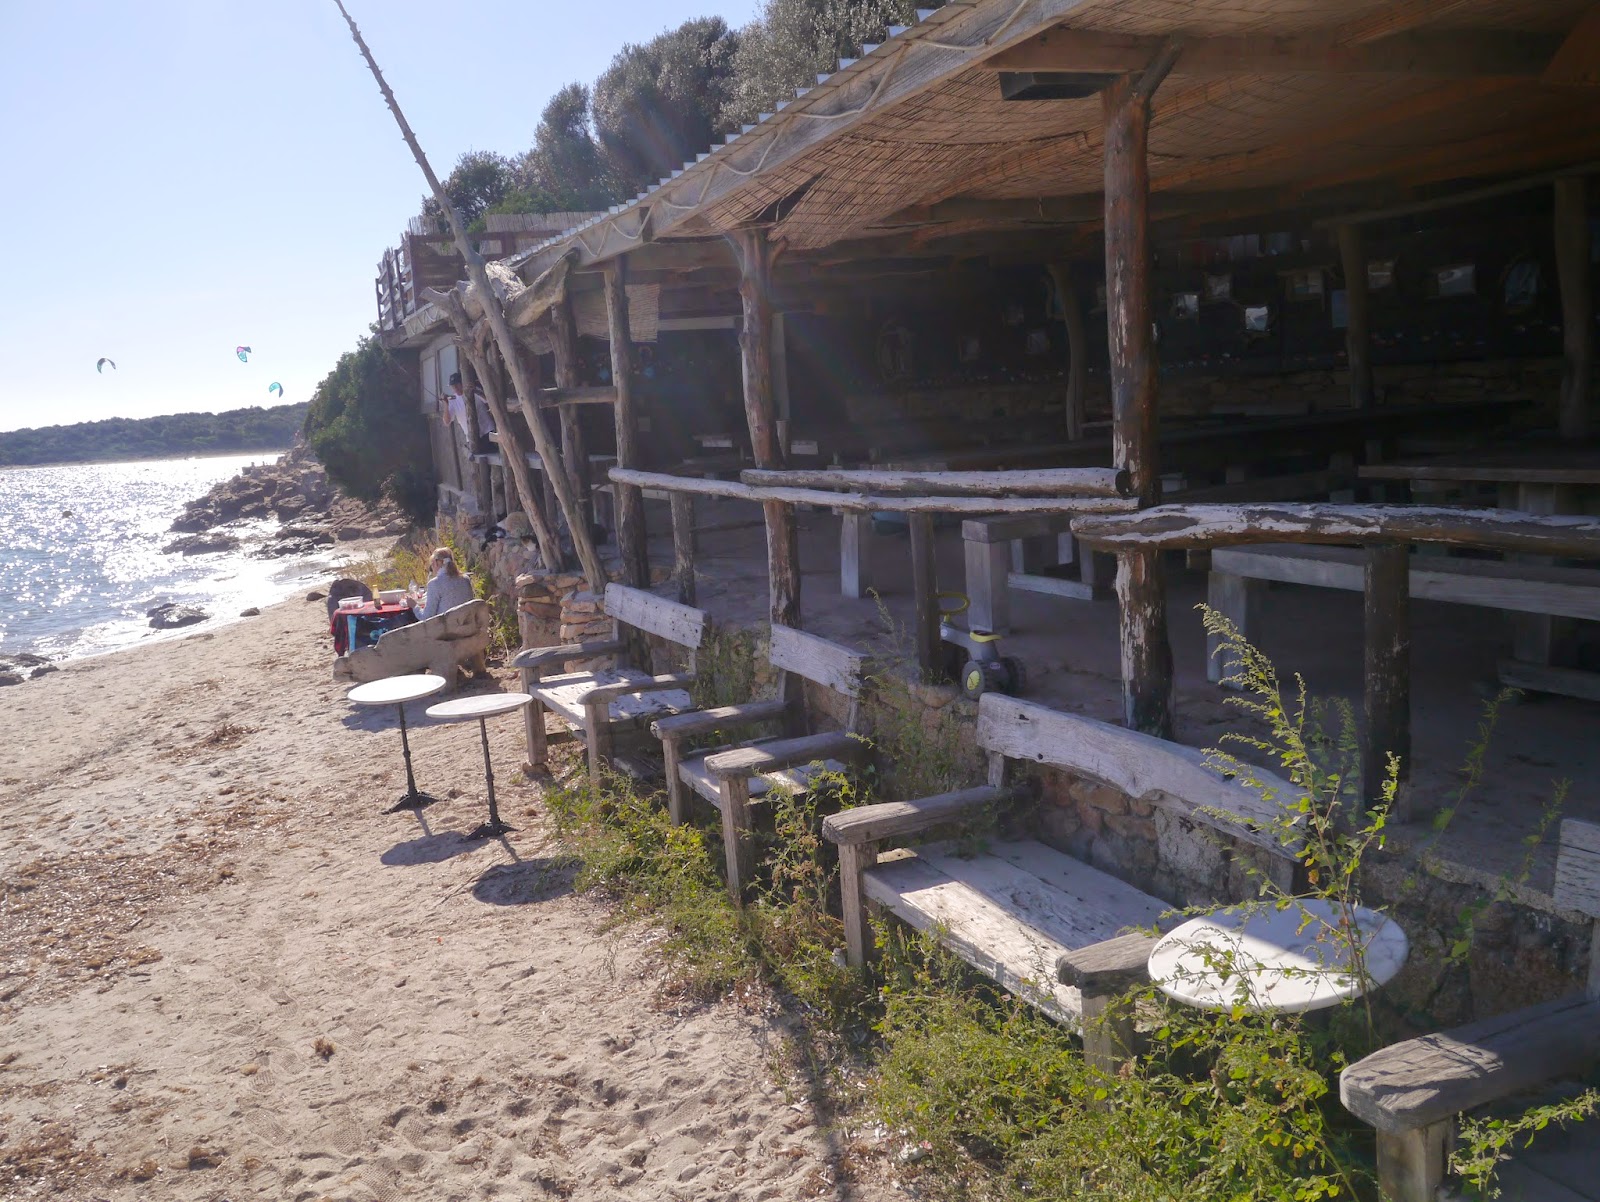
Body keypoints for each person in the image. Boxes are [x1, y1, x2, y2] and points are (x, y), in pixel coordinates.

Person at [412, 547, 476, 620]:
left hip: (447, 626)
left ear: (436, 563)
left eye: (432, 564)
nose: (432, 568)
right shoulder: (465, 579)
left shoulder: (435, 584)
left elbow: (426, 617)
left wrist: (414, 606)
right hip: (468, 624)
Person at [444, 371, 495, 455]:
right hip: (471, 437)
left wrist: (476, 391)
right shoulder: (453, 400)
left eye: (457, 385)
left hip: (487, 431)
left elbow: (489, 401)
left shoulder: (474, 391)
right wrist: (446, 404)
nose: (455, 388)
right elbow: (447, 422)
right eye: (453, 386)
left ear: (462, 383)